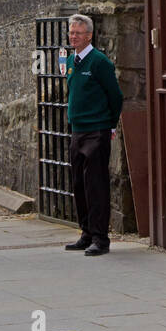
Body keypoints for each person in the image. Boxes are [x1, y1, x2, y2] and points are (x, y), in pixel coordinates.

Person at [62, 13, 123, 256]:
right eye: (71, 33)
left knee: (96, 184)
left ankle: (100, 238)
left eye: (77, 33)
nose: (73, 37)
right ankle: (86, 233)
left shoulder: (99, 62)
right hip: (77, 130)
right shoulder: (70, 61)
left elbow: (115, 96)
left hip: (97, 130)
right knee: (79, 183)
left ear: (89, 35)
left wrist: (109, 125)